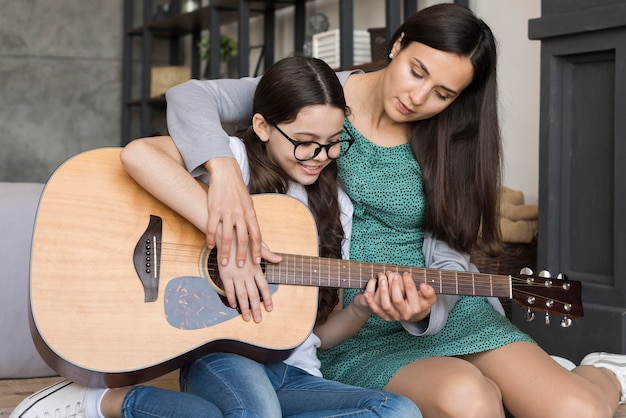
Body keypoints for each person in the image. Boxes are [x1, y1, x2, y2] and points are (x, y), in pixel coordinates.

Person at [163, 3, 626, 418]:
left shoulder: (450, 140)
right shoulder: (321, 91)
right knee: (469, 399)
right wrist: (222, 177)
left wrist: (427, 308)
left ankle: (602, 373)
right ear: (397, 43)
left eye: (444, 93)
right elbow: (190, 97)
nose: (419, 98)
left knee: (578, 411)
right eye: (417, 71)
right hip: (344, 320)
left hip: (437, 304)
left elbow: (450, 246)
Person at [10, 56, 420, 418]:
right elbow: (138, 155)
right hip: (223, 357)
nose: (321, 157)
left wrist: (363, 308)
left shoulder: (336, 207)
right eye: (305, 143)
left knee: (399, 410)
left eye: (333, 144)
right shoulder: (232, 162)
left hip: (294, 371)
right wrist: (232, 238)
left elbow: (313, 333)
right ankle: (108, 403)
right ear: (262, 126)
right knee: (256, 412)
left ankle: (123, 408)